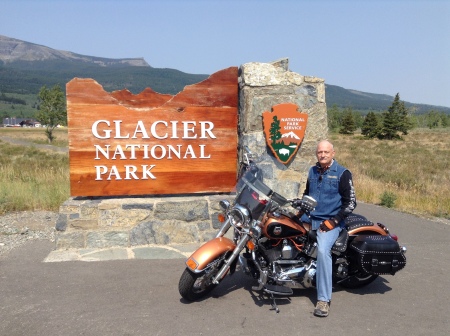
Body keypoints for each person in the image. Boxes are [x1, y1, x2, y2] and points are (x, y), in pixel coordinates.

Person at [302, 140, 356, 317]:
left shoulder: (342, 174)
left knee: (324, 251)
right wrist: (298, 212)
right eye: (319, 152)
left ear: (333, 153)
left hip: (330, 221)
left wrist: (334, 221)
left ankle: (323, 299)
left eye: (326, 152)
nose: (322, 155)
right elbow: (306, 195)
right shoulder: (312, 171)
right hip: (310, 217)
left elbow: (351, 203)